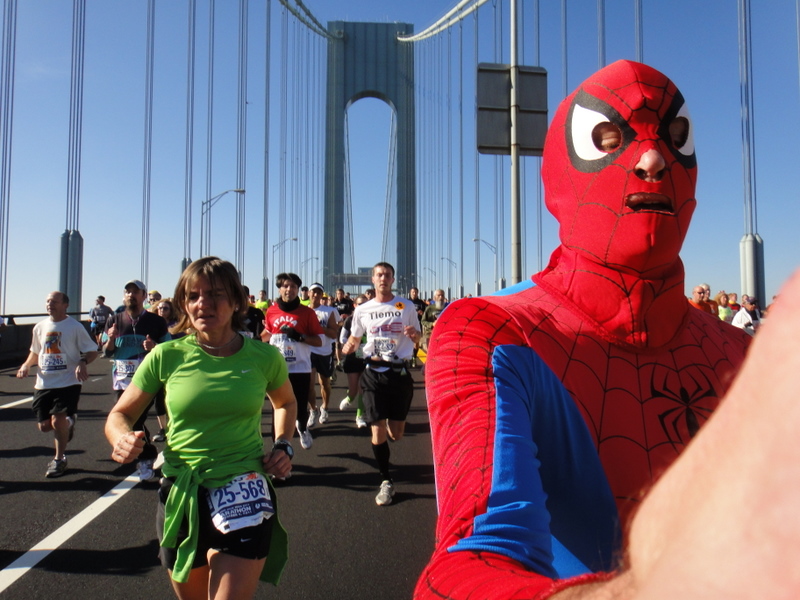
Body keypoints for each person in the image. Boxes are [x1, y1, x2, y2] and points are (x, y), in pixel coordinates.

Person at [414, 60, 751, 598]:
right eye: (608, 137)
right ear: (558, 173)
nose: (652, 157)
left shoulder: (748, 353)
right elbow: (466, 565)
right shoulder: (493, 331)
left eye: (675, 136)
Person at [105, 257, 296, 599]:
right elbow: (120, 414)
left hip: (243, 489)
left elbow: (285, 403)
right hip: (181, 490)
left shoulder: (264, 357)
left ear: (237, 301)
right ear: (183, 303)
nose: (202, 304)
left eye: (215, 295)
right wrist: (121, 438)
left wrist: (283, 445)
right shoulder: (166, 356)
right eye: (193, 296)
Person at [341, 262, 422, 506]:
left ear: (393, 279)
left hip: (399, 375)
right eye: (379, 275)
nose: (383, 278)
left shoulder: (405, 306)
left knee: (396, 434)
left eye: (387, 274)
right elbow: (355, 338)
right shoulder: (363, 309)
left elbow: (419, 337)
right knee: (376, 427)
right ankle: (386, 481)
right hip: (373, 373)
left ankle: (388, 426)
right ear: (372, 280)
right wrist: (348, 347)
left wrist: (414, 335)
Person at [16, 291, 98, 477]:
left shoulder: (74, 326)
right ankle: (69, 422)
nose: (49, 304)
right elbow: (35, 352)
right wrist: (26, 365)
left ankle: (59, 459)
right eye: (47, 301)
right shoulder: (39, 327)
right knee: (44, 426)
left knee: (57, 420)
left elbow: (92, 350)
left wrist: (82, 362)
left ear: (65, 305)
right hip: (44, 382)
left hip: (68, 381)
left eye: (54, 301)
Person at [104, 279, 171, 480]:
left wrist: (154, 347)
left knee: (137, 418)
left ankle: (144, 459)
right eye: (127, 292)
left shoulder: (155, 322)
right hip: (123, 380)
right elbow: (106, 352)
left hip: (147, 380)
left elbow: (166, 348)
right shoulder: (114, 320)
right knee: (130, 421)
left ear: (144, 296)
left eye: (135, 292)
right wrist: (111, 340)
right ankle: (147, 453)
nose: (131, 295)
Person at [262, 272, 324, 450]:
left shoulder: (307, 313)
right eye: (286, 286)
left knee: (300, 404)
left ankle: (302, 427)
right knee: (278, 408)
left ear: (298, 290)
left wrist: (300, 337)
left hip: (300, 368)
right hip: (278, 369)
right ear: (280, 288)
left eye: (294, 287)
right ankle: (278, 447)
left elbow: (319, 340)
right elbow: (267, 334)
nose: (289, 290)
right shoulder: (272, 311)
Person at [306, 283, 342, 427]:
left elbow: (334, 333)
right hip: (307, 352)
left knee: (324, 383)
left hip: (324, 351)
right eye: (313, 292)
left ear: (322, 295)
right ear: (308, 293)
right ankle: (313, 410)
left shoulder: (329, 311)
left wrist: (320, 328)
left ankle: (325, 407)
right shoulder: (302, 311)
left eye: (319, 293)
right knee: (309, 385)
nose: (316, 295)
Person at [338, 294, 369, 428]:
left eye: (365, 304)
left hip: (367, 357)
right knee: (353, 390)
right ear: (354, 306)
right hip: (352, 357)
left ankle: (360, 416)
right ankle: (350, 398)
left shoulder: (372, 320)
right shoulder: (349, 320)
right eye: (359, 304)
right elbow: (342, 338)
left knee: (362, 387)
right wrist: (350, 344)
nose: (362, 307)